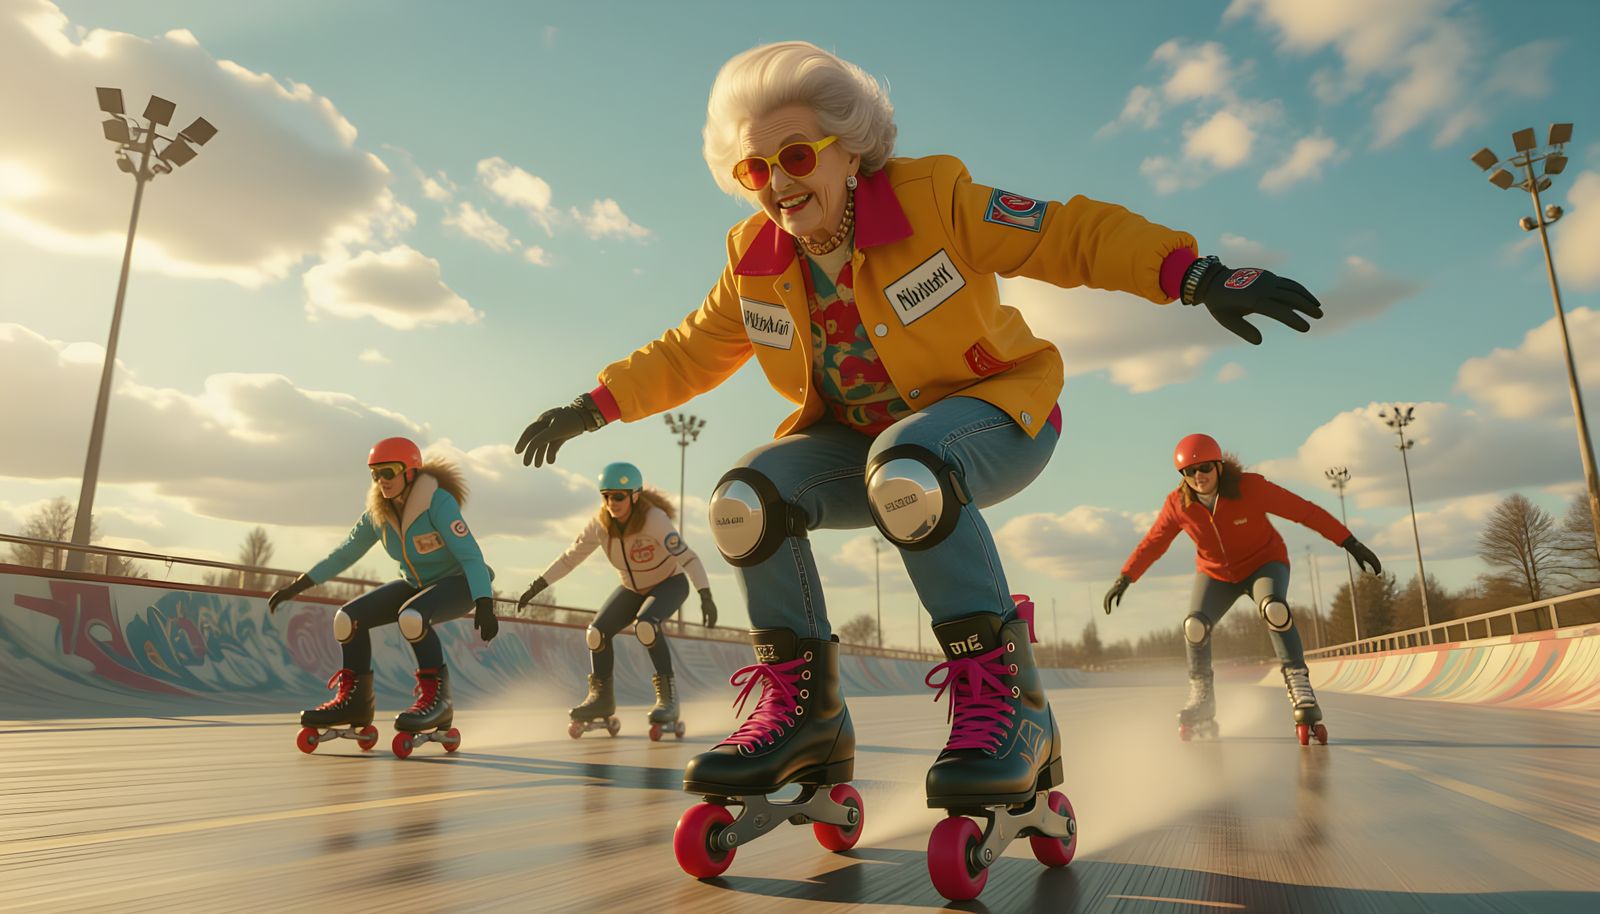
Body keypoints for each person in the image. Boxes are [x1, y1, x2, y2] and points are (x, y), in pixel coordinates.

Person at [511, 40, 1327, 891]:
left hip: (998, 415)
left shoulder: (934, 201)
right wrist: (594, 405)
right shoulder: (754, 255)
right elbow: (688, 350)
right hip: (861, 448)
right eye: (756, 169)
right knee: (746, 497)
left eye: (796, 156)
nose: (779, 185)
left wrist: (1193, 273)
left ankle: (1012, 711)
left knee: (910, 464)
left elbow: (1067, 235)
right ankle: (805, 716)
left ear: (849, 149)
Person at [1103, 433, 1381, 744]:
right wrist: (1124, 578)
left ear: (1219, 466)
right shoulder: (1178, 504)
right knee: (1194, 626)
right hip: (1216, 575)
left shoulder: (1250, 487)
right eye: (1189, 472)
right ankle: (1201, 696)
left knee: (1274, 609)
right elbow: (1154, 543)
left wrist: (1350, 542)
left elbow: (1304, 511)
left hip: (1264, 563)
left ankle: (1300, 688)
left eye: (1205, 468)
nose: (1198, 477)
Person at [269, 437, 497, 754]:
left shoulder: (438, 502)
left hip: (461, 582)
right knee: (347, 619)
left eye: (388, 472)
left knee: (412, 617)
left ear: (411, 472)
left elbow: (471, 556)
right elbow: (344, 554)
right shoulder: (378, 513)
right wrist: (299, 585)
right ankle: (356, 703)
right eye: (375, 474)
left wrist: (485, 601)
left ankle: (438, 701)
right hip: (417, 583)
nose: (382, 481)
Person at [517, 462, 716, 739]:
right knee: (595, 634)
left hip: (669, 583)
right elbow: (570, 557)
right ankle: (601, 699)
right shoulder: (601, 525)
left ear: (635, 496)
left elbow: (688, 557)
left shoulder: (654, 519)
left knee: (645, 626)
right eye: (607, 496)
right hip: (632, 588)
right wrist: (537, 585)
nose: (612, 502)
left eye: (619, 496)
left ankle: (668, 699)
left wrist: (705, 594)